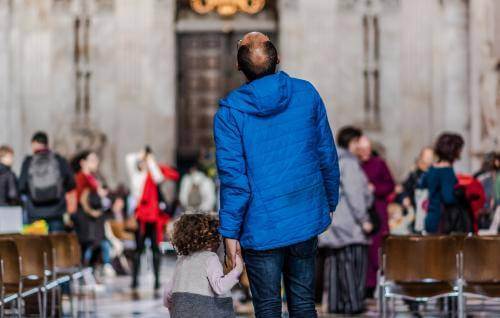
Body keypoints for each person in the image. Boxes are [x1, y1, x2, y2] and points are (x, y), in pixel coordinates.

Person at [214, 32, 340, 318]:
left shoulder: (229, 113)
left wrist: (230, 233)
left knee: (268, 309)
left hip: (261, 224)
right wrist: (329, 202)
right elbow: (327, 155)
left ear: (238, 67)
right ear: (278, 59)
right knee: (304, 304)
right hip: (304, 215)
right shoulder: (306, 93)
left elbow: (235, 182)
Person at [318, 126, 373, 314]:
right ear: (354, 142)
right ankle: (352, 305)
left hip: (331, 225)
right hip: (350, 225)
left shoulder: (329, 159)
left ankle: (335, 305)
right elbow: (355, 193)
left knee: (333, 266)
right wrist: (364, 219)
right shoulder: (349, 162)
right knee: (353, 267)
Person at [163, 214, 243, 318]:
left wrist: (172, 307)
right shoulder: (210, 258)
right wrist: (237, 270)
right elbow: (219, 287)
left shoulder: (181, 260)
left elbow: (167, 292)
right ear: (211, 239)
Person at [126, 147, 179, 293]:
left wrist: (150, 160)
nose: (144, 162)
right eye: (142, 161)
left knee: (156, 249)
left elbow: (159, 177)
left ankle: (156, 280)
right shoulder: (136, 176)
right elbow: (129, 159)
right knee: (138, 250)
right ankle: (134, 280)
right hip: (141, 218)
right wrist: (142, 153)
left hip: (154, 218)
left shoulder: (152, 174)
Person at [357, 135, 395, 297]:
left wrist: (375, 188)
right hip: (360, 214)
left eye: (367, 149)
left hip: (377, 213)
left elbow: (390, 185)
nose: (365, 152)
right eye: (361, 149)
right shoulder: (354, 165)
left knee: (376, 251)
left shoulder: (379, 164)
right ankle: (364, 286)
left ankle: (376, 285)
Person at [19, 131, 75, 232]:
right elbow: (71, 183)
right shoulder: (58, 160)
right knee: (56, 244)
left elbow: (21, 186)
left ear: (34, 143)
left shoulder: (28, 162)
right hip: (56, 210)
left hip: (35, 212)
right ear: (46, 143)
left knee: (36, 246)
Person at [71, 150, 115, 277]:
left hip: (94, 220)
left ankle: (90, 274)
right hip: (86, 219)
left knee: (95, 246)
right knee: (87, 246)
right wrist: (93, 212)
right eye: (92, 160)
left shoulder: (92, 177)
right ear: (83, 162)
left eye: (96, 160)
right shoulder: (81, 177)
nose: (96, 163)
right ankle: (85, 275)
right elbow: (83, 198)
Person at [420, 133, 464, 233]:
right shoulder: (446, 170)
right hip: (443, 222)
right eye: (460, 149)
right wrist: (461, 194)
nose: (461, 152)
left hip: (430, 218)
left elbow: (422, 184)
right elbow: (448, 198)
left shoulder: (432, 168)